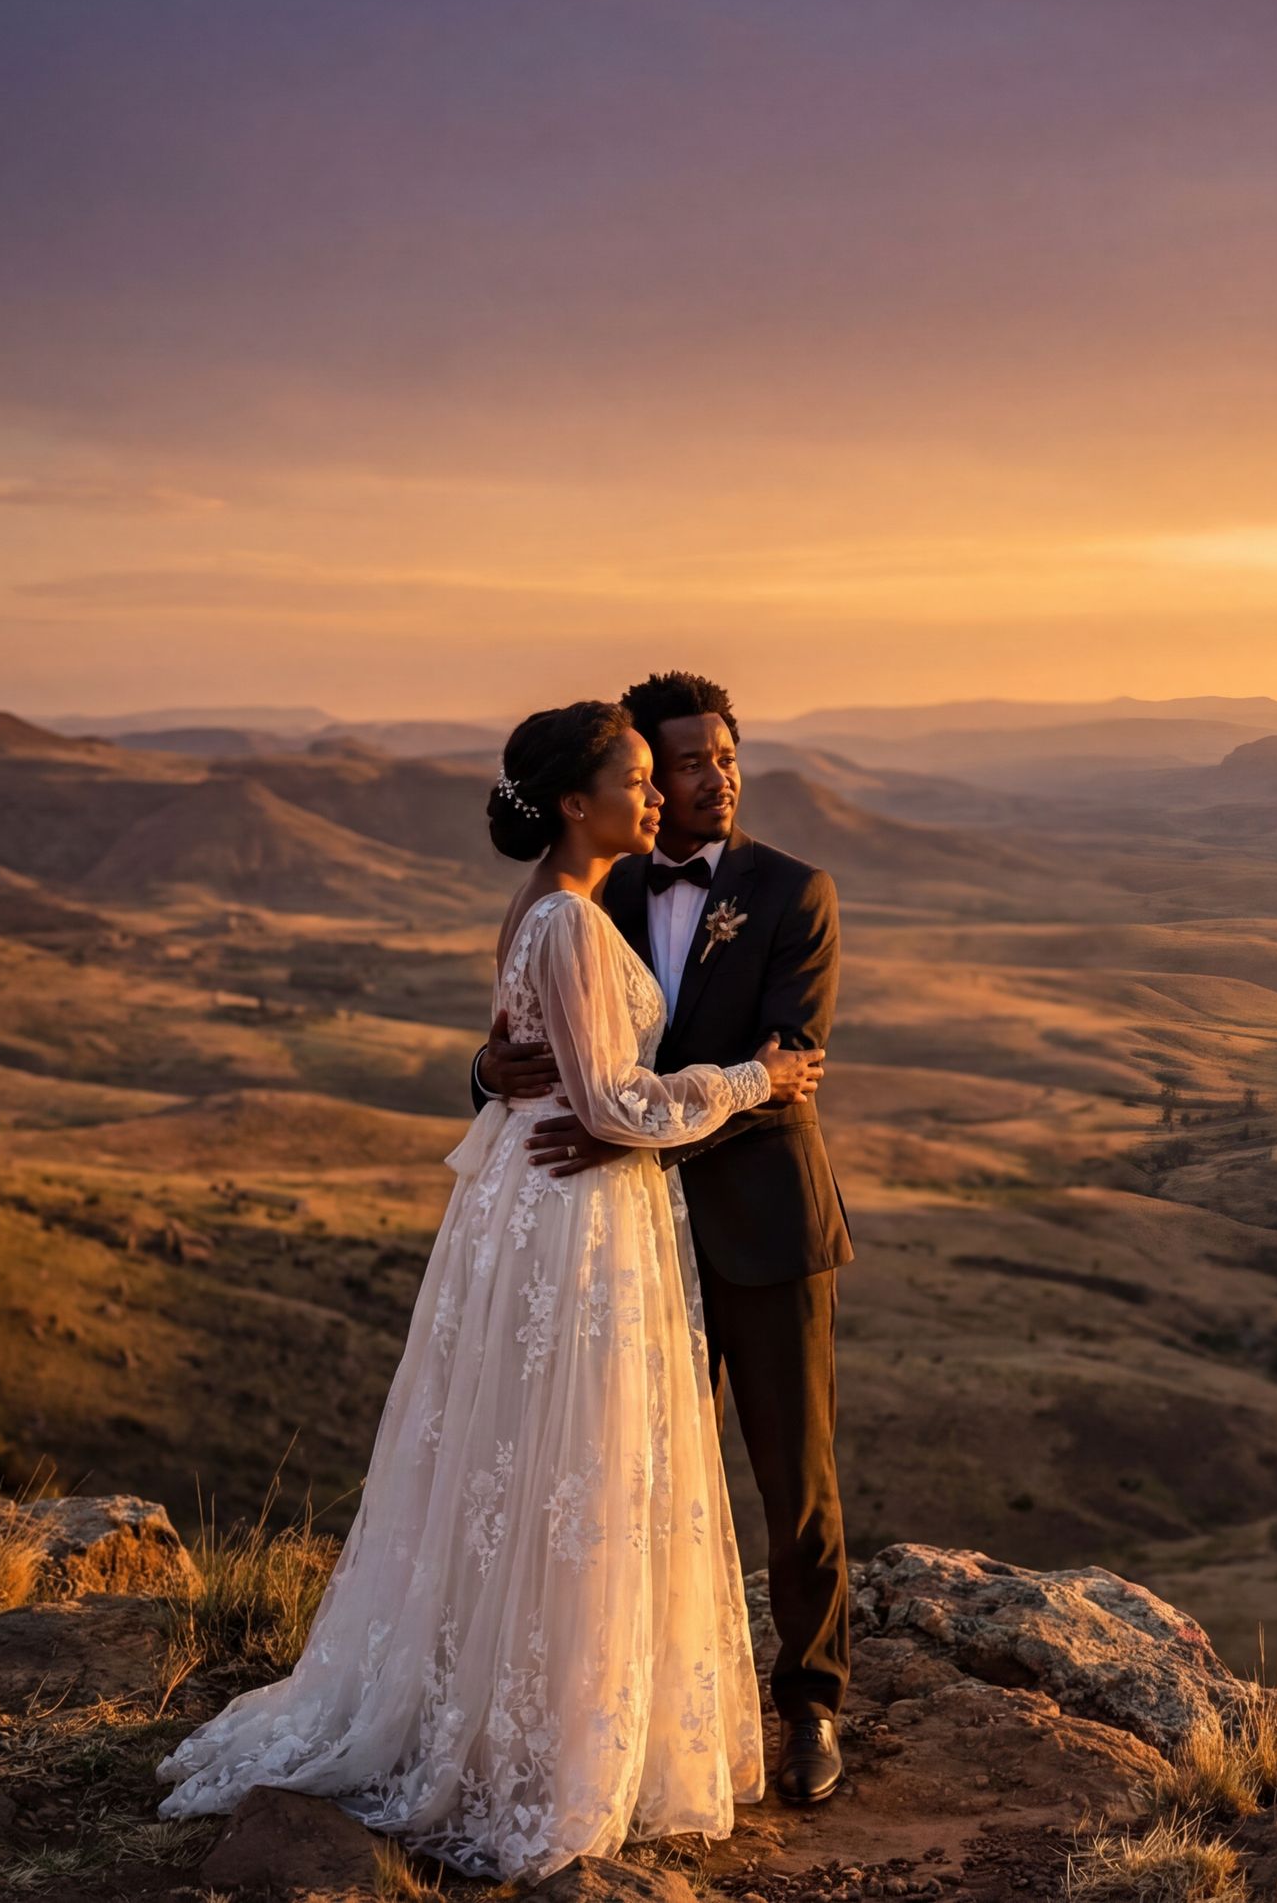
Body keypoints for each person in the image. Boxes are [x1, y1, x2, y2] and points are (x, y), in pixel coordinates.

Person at [157, 700, 824, 1880]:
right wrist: (748, 1080)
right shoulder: (579, 909)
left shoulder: (689, 895)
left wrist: (599, 1089)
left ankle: (763, 1702)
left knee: (627, 1466)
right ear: (579, 799)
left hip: (658, 1209)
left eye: (703, 767)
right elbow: (599, 1091)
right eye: (651, 774)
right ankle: (552, 1728)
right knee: (574, 1460)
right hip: (575, 1207)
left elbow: (574, 1054)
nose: (673, 791)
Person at [475, 670, 855, 1804]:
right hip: (618, 1242)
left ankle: (813, 1704)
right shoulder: (599, 885)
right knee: (628, 1476)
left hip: (763, 1225)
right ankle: (635, 1704)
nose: (715, 779)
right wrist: (488, 1071)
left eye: (726, 758)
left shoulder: (796, 891)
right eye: (688, 763)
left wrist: (621, 1138)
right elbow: (550, 1043)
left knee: (796, 1481)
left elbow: (787, 1069)